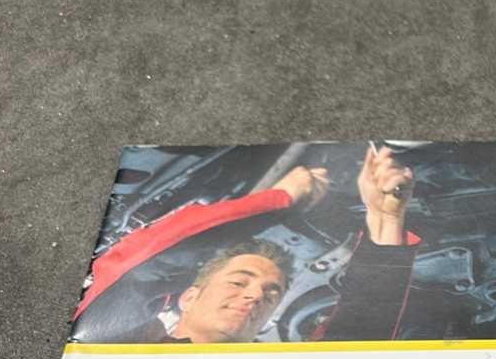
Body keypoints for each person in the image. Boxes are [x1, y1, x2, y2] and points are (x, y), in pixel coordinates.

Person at [73, 144, 421, 344]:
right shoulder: (117, 352)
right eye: (238, 282)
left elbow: (357, 340)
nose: (256, 296)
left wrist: (386, 219)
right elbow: (141, 267)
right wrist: (278, 200)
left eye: (271, 295)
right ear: (188, 297)